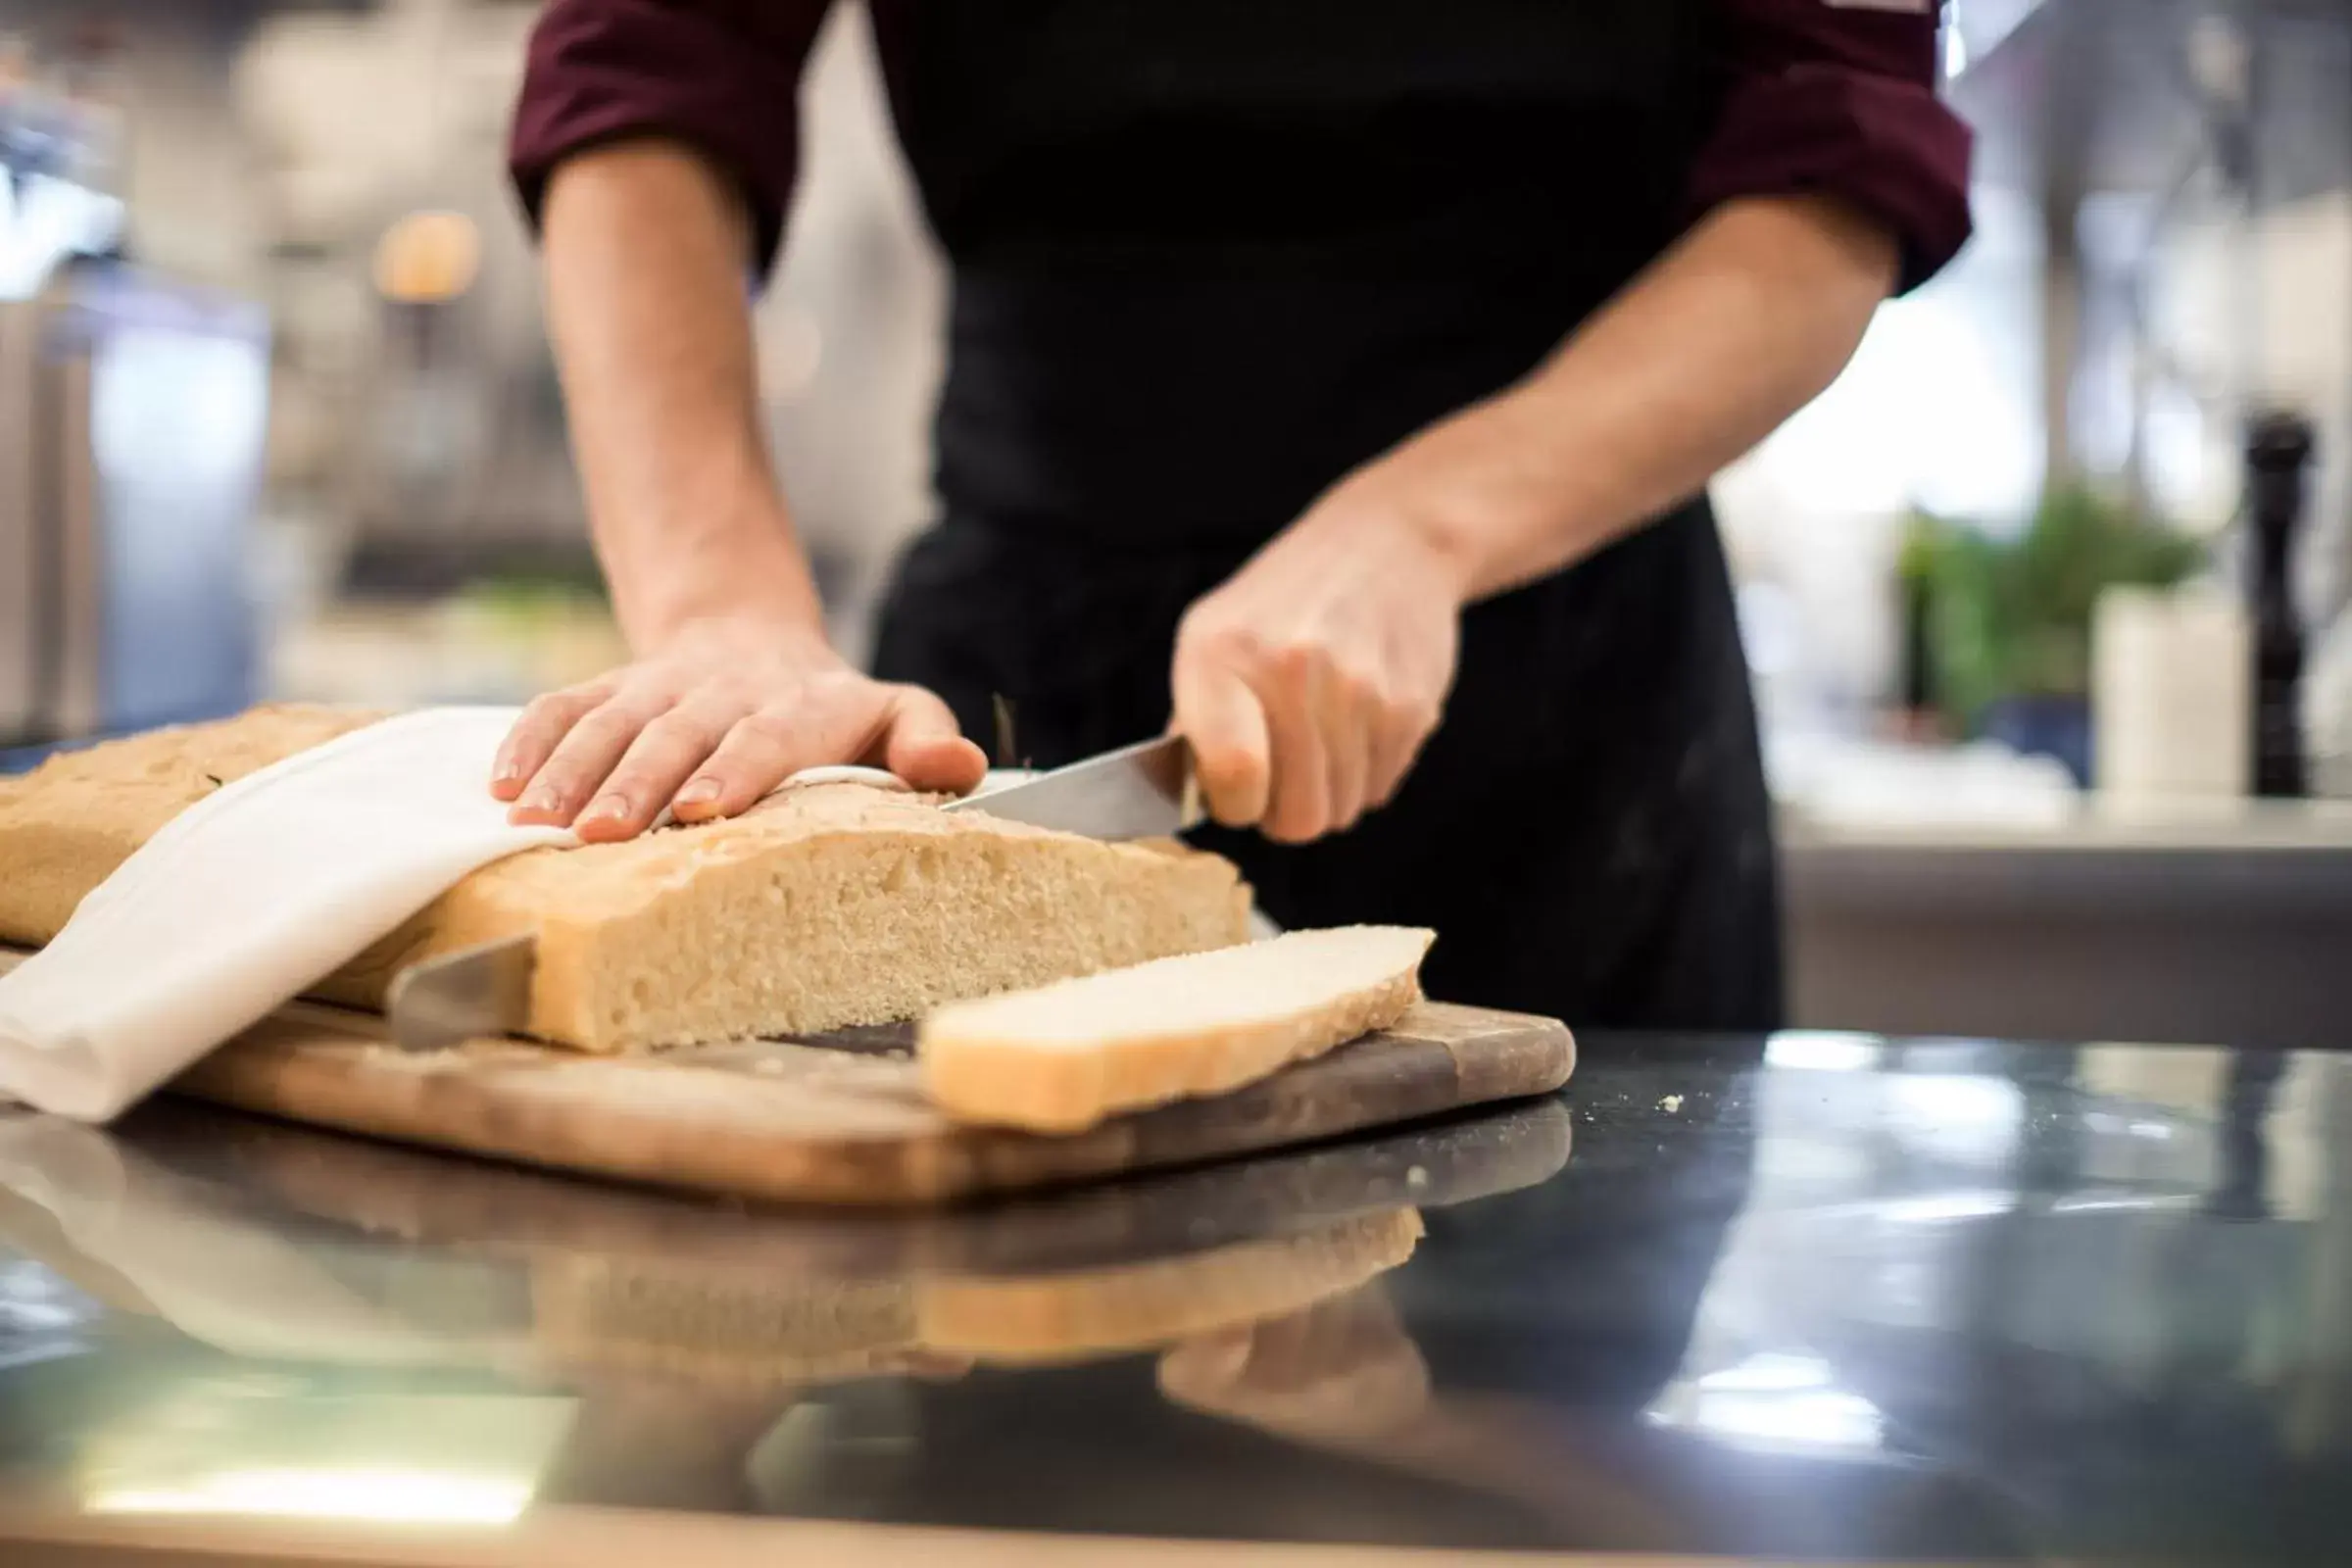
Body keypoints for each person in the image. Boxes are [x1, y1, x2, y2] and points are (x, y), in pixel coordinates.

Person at [497, 1, 1973, 1032]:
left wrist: (1427, 526)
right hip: (1019, 694)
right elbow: (650, 68)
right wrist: (722, 614)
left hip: (1571, 728)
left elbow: (1833, 175)